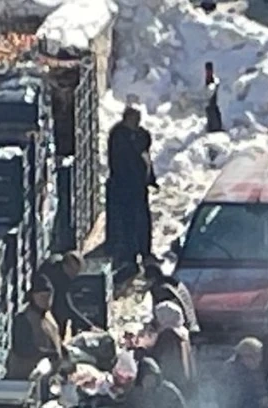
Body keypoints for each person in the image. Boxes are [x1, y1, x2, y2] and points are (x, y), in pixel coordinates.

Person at [105, 106, 157, 265]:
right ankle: (129, 253)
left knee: (143, 219)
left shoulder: (140, 134)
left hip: (139, 186)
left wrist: (150, 178)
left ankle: (145, 251)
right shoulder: (119, 136)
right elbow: (121, 162)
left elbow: (146, 157)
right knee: (127, 220)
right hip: (124, 186)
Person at [8, 278, 62, 381]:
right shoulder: (23, 318)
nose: (46, 300)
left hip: (45, 377)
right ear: (33, 296)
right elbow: (23, 349)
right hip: (23, 377)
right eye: (42, 297)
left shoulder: (49, 317)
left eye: (49, 297)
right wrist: (47, 354)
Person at [37, 252, 93, 333]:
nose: (75, 276)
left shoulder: (59, 261)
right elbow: (67, 306)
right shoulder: (59, 277)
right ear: (66, 266)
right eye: (74, 272)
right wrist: (89, 326)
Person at [150, 300, 195, 396]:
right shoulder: (182, 335)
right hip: (184, 384)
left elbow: (158, 359)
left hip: (171, 386)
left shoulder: (168, 336)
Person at [142, 262, 199, 333]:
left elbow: (169, 313)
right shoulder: (172, 282)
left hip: (183, 327)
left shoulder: (160, 289)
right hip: (190, 324)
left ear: (151, 279)